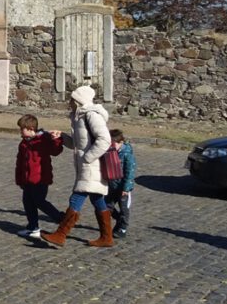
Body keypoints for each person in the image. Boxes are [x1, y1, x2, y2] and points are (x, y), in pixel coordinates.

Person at [42, 85, 114, 248]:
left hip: (91, 166)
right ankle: (107, 237)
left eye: (72, 99)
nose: (69, 102)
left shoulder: (92, 115)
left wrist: (88, 157)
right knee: (97, 199)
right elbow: (78, 144)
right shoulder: (78, 116)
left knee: (77, 197)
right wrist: (62, 136)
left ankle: (61, 234)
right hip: (86, 165)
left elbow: (104, 139)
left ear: (79, 100)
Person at [14, 114, 65, 238]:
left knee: (39, 201)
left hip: (40, 179)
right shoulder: (23, 144)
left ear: (31, 128)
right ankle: (33, 227)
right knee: (28, 203)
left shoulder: (43, 139)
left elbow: (56, 151)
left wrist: (57, 140)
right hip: (27, 180)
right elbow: (20, 163)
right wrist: (20, 179)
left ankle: (60, 218)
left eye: (22, 129)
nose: (20, 131)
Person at [106, 129, 137, 239]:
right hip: (112, 185)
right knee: (107, 206)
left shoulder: (127, 155)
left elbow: (130, 172)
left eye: (113, 144)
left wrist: (126, 188)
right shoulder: (110, 151)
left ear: (121, 143)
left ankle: (123, 228)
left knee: (124, 209)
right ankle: (119, 220)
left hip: (123, 187)